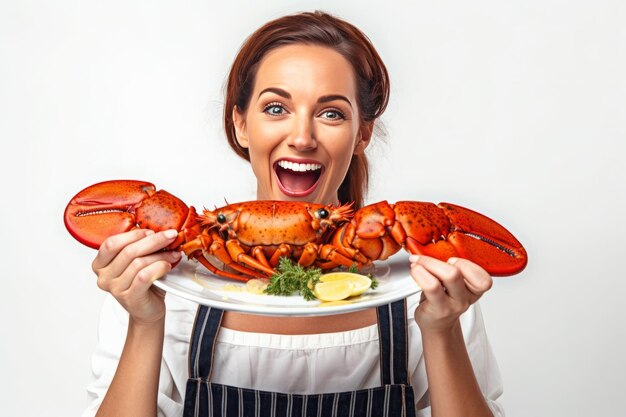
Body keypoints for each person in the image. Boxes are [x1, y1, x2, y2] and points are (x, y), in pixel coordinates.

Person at [82, 11, 504, 417]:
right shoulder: (162, 285)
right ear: (241, 124)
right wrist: (143, 321)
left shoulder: (425, 284)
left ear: (363, 134)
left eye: (331, 113)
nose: (302, 137)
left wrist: (442, 330)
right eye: (276, 108)